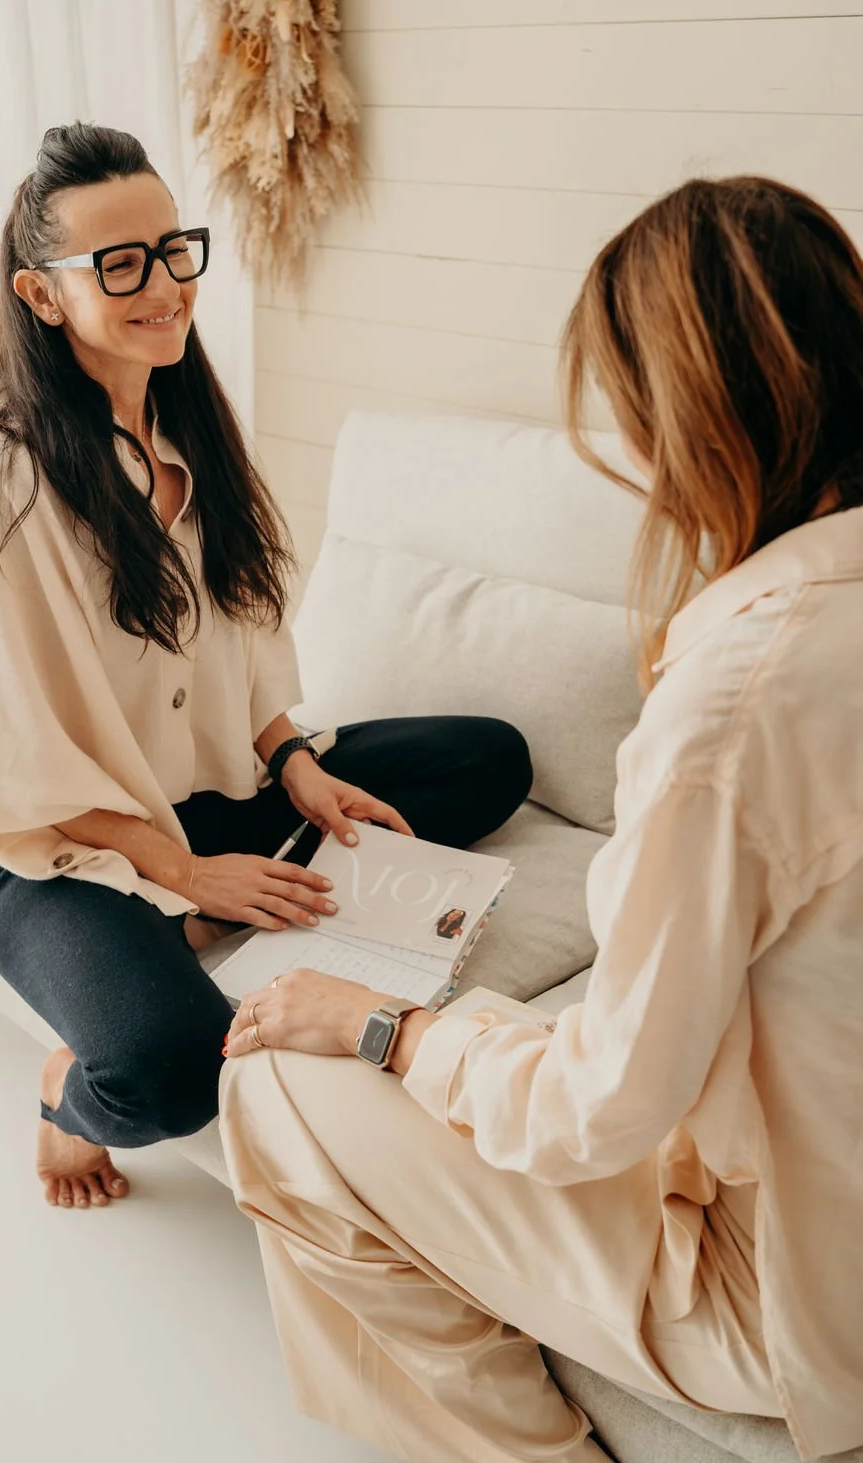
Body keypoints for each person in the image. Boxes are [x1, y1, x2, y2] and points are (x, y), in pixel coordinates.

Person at [220, 177, 863, 1462]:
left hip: (797, 1299)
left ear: (674, 412)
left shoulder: (738, 695)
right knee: (482, 1033)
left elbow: (603, 1108)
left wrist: (382, 1026)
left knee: (278, 1078)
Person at [0, 122, 533, 1213]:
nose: (160, 284)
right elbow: (9, 766)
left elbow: (238, 645)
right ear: (42, 294)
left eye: (171, 248)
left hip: (211, 802)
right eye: (119, 263)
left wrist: (293, 762)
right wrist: (184, 873)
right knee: (169, 1070)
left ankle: (205, 918)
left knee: (486, 760)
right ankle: (66, 1092)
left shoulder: (187, 425)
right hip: (59, 852)